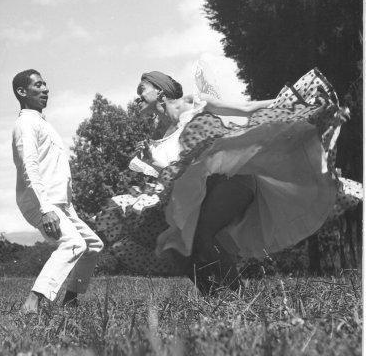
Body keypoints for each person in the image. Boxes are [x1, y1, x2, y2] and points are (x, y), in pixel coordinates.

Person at [95, 65, 362, 289]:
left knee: (201, 237)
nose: (137, 96)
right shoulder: (160, 136)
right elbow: (174, 175)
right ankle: (213, 299)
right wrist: (151, 162)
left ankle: (236, 298)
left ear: (159, 90)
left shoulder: (194, 103)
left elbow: (246, 109)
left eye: (141, 89)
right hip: (202, 196)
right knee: (176, 249)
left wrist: (303, 105)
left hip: (232, 180)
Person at [12, 69, 104, 314]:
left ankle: (71, 301)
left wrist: (67, 206)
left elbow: (55, 171)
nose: (45, 89)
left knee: (92, 245)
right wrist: (45, 209)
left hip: (60, 203)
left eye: (45, 85)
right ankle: (32, 302)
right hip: (42, 202)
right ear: (22, 92)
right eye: (38, 85)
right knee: (73, 243)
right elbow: (28, 166)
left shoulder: (42, 123)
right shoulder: (25, 123)